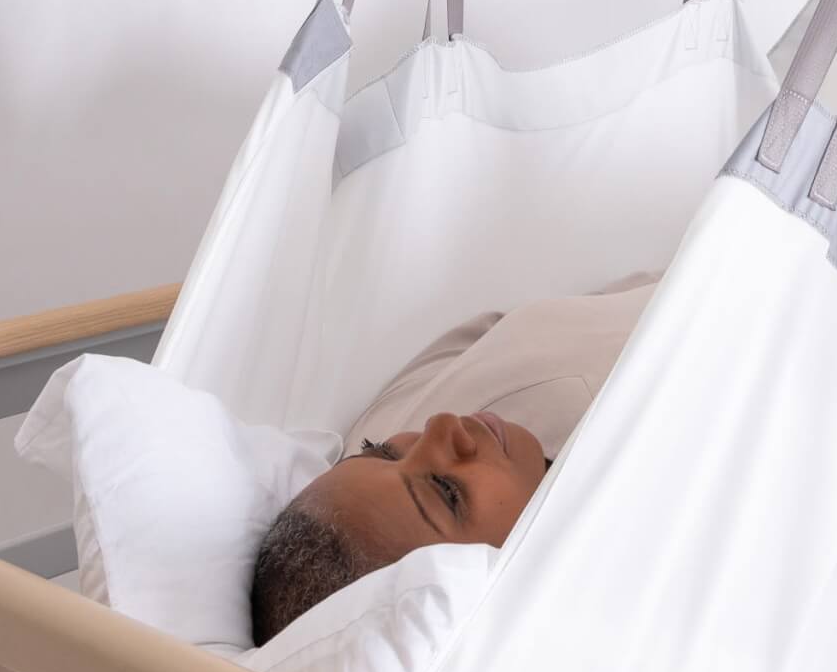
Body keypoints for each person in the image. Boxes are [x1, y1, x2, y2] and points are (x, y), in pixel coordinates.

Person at [248, 270, 660, 647]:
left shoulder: (388, 418)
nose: (442, 426)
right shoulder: (651, 457)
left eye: (381, 451)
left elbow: (494, 328)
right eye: (447, 491)